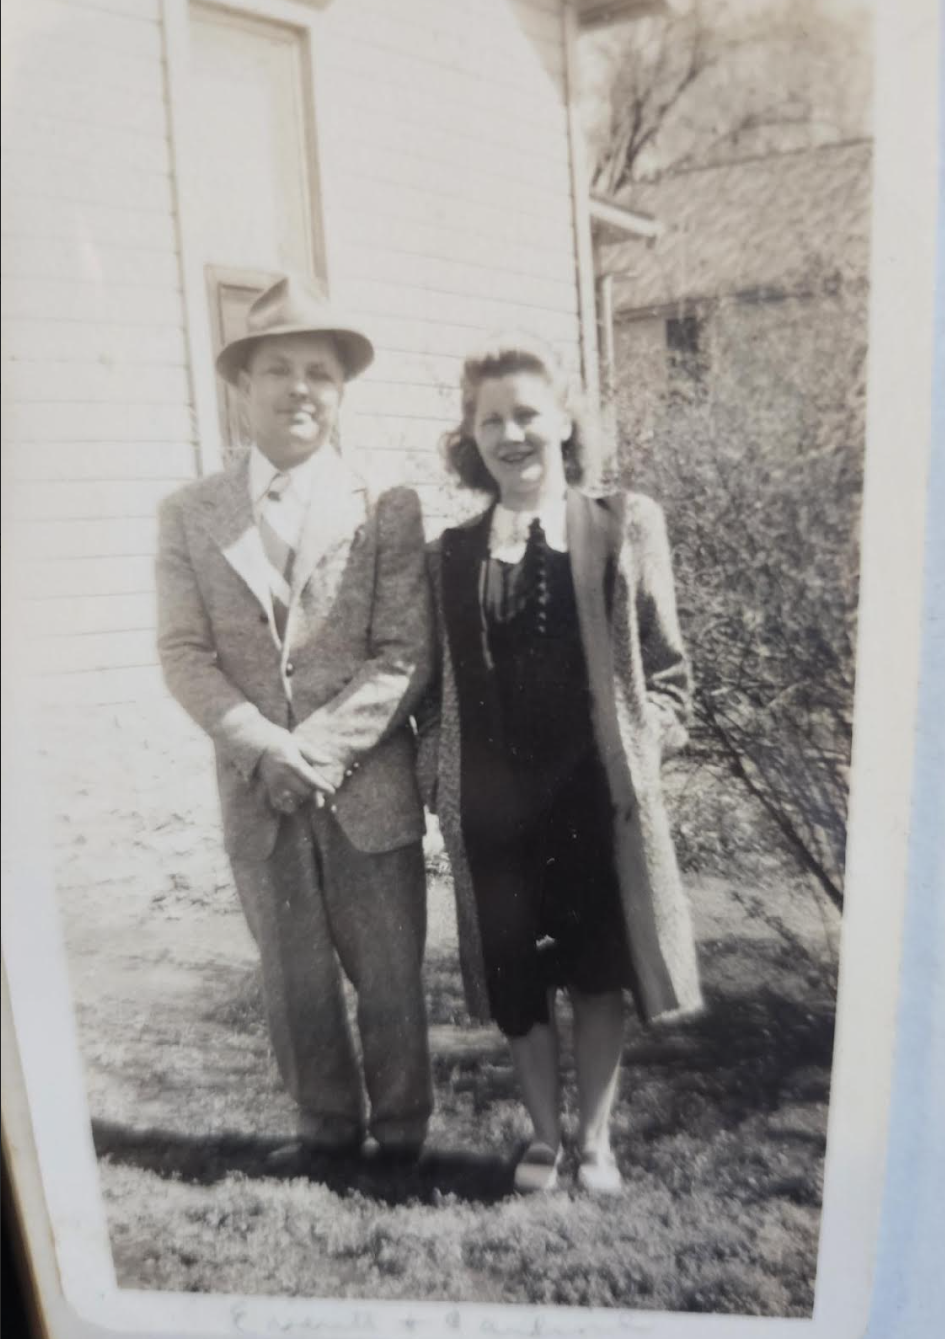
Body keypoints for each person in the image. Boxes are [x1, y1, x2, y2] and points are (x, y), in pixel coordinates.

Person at [156, 274, 434, 1162]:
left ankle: (401, 1132)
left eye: (320, 372)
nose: (299, 389)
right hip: (257, 792)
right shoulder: (190, 513)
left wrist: (310, 750)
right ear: (242, 386)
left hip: (367, 786)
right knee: (293, 972)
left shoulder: (385, 503)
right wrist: (258, 745)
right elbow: (183, 652)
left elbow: (404, 652)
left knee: (388, 972)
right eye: (277, 369)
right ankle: (324, 1128)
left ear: (341, 390)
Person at [417, 334, 702, 1195]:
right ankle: (542, 1139)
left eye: (527, 414)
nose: (510, 435)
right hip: (494, 806)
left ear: (565, 422)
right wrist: (438, 773)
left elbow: (668, 672)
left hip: (590, 796)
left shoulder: (623, 523)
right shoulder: (450, 554)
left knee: (596, 970)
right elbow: (434, 692)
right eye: (490, 420)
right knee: (516, 974)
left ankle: (596, 1143)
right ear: (469, 436)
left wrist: (644, 744)